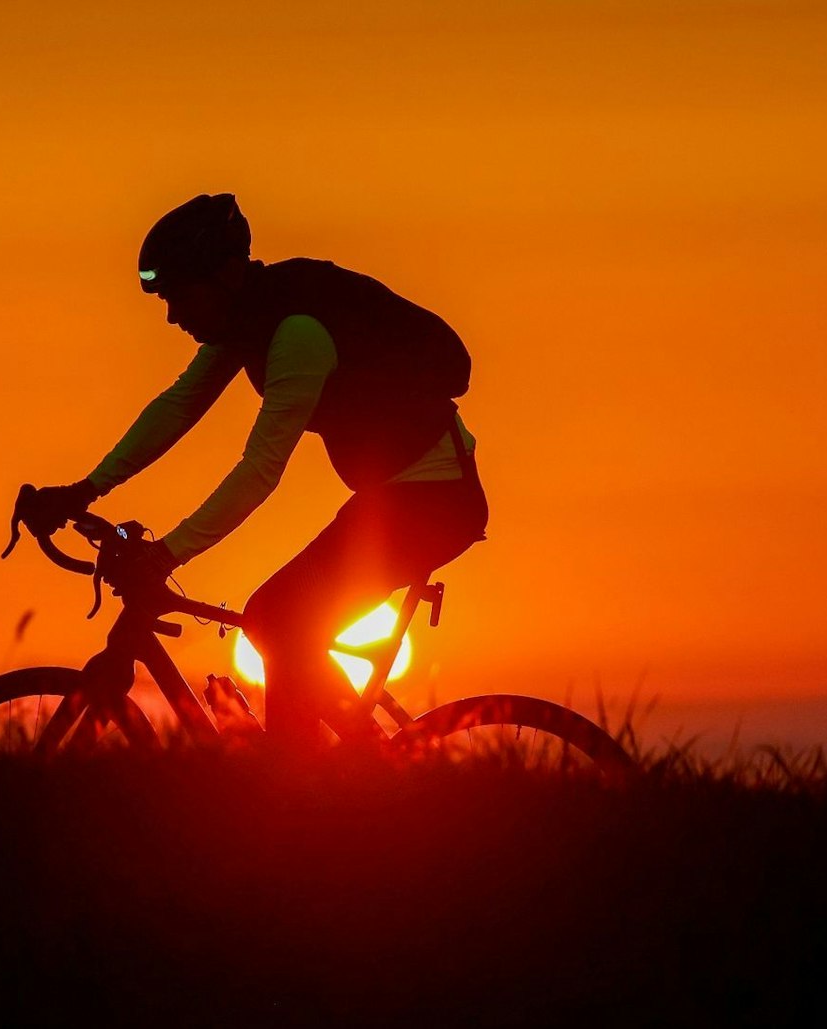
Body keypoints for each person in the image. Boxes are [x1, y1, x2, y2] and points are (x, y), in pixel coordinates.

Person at [26, 192, 488, 744]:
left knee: (276, 618)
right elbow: (178, 405)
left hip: (435, 501)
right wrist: (84, 490)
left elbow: (261, 468)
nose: (173, 316)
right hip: (395, 498)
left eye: (180, 296)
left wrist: (169, 552)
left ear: (223, 277)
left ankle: (322, 783)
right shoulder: (243, 323)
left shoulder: (296, 333)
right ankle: (331, 775)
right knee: (279, 620)